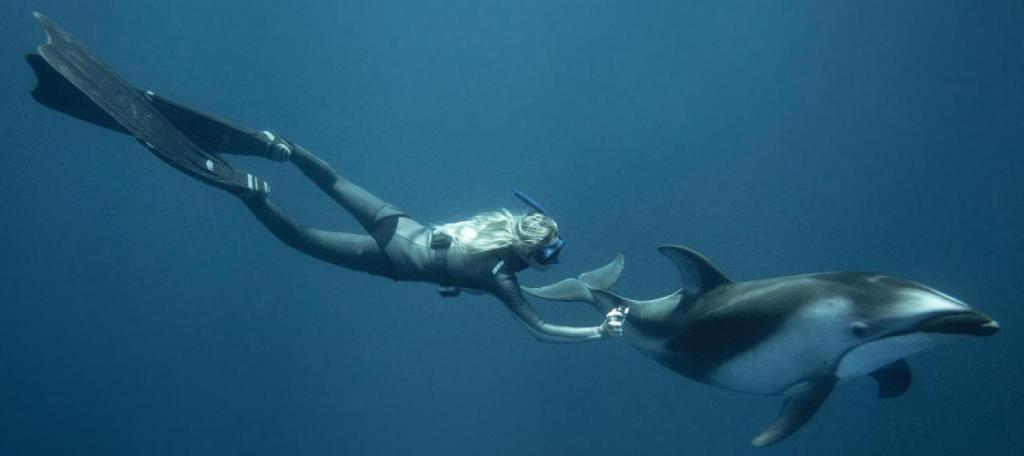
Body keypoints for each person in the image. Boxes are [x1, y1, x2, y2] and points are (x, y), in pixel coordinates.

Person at [27, 12, 626, 343]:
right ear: (534, 256)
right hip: (395, 258)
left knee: (330, 177)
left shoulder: (499, 221)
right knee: (298, 238)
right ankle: (252, 193)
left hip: (400, 222)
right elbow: (543, 330)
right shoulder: (503, 278)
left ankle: (279, 148)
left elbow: (527, 251)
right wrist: (598, 332)